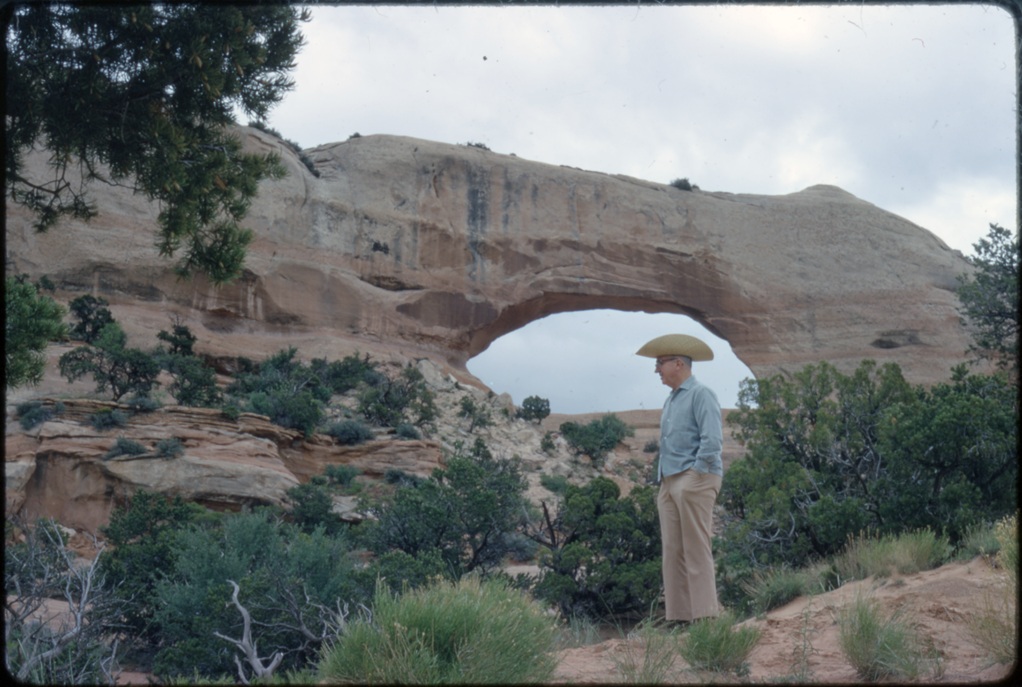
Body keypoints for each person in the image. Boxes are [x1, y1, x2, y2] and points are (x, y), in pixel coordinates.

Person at [635, 333, 723, 626]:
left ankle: (707, 616)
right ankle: (680, 618)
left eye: (660, 363)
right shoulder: (670, 400)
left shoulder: (702, 394)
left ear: (678, 364)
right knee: (672, 551)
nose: (656, 369)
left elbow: (712, 440)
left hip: (694, 478)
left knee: (696, 547)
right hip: (669, 480)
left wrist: (696, 473)